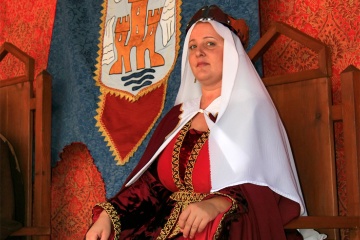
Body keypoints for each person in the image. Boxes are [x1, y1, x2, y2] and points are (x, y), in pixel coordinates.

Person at [86, 5, 306, 240]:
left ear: (231, 52)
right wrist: (108, 217)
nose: (199, 52)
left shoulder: (251, 112)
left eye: (210, 43)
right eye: (193, 46)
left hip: (220, 227)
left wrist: (217, 204)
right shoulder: (179, 116)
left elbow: (263, 188)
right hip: (162, 225)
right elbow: (151, 186)